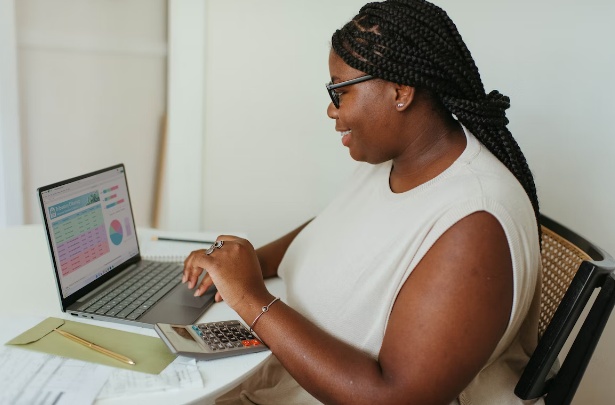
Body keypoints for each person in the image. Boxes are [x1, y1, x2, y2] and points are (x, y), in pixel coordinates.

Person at [183, 1, 542, 404]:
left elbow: (394, 396)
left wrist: (251, 298)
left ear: (400, 91)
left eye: (341, 91)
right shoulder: (395, 162)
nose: (331, 109)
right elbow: (332, 230)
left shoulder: (475, 225)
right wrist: (246, 265)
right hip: (275, 377)